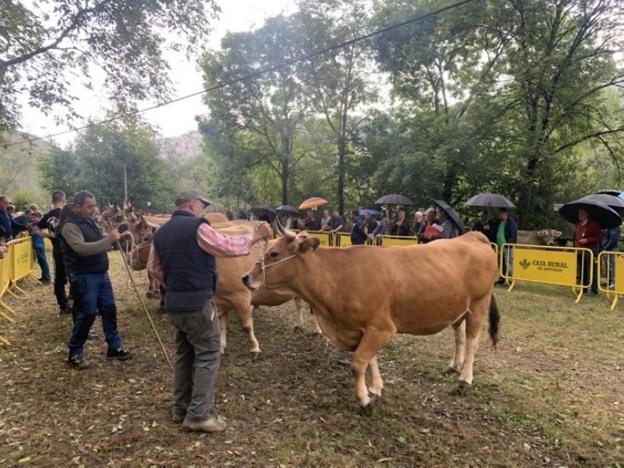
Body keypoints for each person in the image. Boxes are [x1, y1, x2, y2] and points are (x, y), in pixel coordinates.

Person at [148, 190, 272, 433]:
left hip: (174, 303)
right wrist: (254, 237)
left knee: (184, 354)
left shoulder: (160, 233)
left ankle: (180, 409)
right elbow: (225, 246)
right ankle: (198, 415)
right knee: (208, 354)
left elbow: (153, 268)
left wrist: (175, 284)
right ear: (192, 204)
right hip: (197, 302)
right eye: (201, 206)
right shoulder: (197, 227)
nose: (203, 211)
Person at [59, 190, 133, 369]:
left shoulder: (89, 221)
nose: (94, 209)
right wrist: (108, 240)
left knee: (109, 309)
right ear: (78, 207)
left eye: (94, 205)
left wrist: (117, 239)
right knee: (88, 313)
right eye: (89, 206)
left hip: (101, 273)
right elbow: (82, 249)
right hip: (84, 276)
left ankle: (114, 346)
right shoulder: (69, 226)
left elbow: (100, 244)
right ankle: (74, 352)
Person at [38, 190, 71, 313]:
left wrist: (49, 236)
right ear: (64, 199)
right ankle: (74, 302)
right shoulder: (69, 213)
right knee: (75, 275)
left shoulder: (48, 215)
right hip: (71, 249)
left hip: (57, 250)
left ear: (52, 201)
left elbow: (35, 228)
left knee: (60, 278)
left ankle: (63, 304)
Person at [573, 208, 601, 294]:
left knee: (592, 270)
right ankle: (583, 287)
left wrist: (587, 240)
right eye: (579, 214)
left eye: (582, 213)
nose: (580, 215)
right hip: (579, 250)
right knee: (581, 269)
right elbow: (575, 237)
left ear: (587, 214)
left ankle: (593, 289)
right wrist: (574, 246)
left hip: (590, 250)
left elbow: (598, 238)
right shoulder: (577, 224)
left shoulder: (593, 224)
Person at [490, 208, 518, 284]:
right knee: (502, 263)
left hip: (507, 246)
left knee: (508, 263)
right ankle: (502, 279)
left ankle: (510, 280)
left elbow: (513, 234)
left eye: (500, 214)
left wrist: (508, 245)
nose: (498, 215)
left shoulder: (511, 222)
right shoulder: (499, 222)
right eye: (498, 214)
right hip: (499, 247)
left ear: (505, 213)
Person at [28, 211, 51, 283]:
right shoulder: (36, 224)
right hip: (38, 245)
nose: (32, 219)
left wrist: (31, 227)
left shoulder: (37, 225)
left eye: (33, 217)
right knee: (41, 262)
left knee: (43, 261)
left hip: (39, 245)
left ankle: (47, 278)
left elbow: (33, 233)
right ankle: (44, 276)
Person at [601, 224, 620, 289]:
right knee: (607, 265)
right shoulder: (606, 225)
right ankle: (609, 281)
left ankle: (614, 282)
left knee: (612, 265)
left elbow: (613, 239)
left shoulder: (614, 225)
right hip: (605, 248)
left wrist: (605, 247)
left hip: (611, 248)